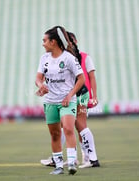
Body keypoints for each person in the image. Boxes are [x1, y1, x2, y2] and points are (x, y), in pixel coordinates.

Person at [40, 32, 100, 168]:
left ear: (74, 42)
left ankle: (90, 158)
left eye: (70, 41)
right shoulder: (62, 56)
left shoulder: (80, 57)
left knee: (79, 125)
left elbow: (91, 77)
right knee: (66, 126)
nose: (68, 44)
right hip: (71, 95)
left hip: (80, 95)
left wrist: (94, 96)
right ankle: (79, 158)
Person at [35, 26, 85, 175]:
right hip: (50, 102)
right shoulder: (44, 59)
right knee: (55, 134)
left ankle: (71, 163)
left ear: (53, 42)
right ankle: (58, 166)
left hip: (67, 101)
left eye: (45, 41)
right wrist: (41, 85)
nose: (43, 43)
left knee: (69, 129)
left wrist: (70, 95)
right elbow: (38, 78)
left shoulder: (69, 58)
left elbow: (81, 79)